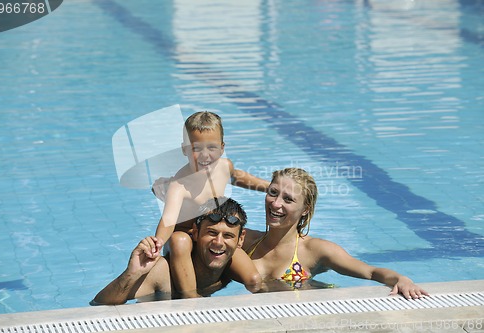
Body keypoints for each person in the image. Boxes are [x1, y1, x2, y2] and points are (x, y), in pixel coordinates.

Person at [242, 167, 429, 299]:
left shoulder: (315, 250)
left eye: (288, 199)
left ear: (305, 209)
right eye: (273, 192)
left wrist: (402, 279)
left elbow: (370, 272)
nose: (275, 204)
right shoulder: (246, 240)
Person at [149, 111, 268, 297]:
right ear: (185, 150)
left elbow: (238, 177)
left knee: (254, 280)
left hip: (212, 236)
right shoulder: (179, 185)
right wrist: (157, 243)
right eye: (196, 148)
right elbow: (169, 219)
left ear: (222, 148)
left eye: (212, 147)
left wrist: (269, 187)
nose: (205, 155)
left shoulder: (224, 167)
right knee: (179, 241)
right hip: (188, 238)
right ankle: (191, 296)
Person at [91, 197, 249, 305]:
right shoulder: (164, 273)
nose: (218, 243)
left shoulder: (233, 270)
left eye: (228, 235)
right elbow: (100, 303)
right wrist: (131, 274)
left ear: (240, 239)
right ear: (195, 233)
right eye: (211, 233)